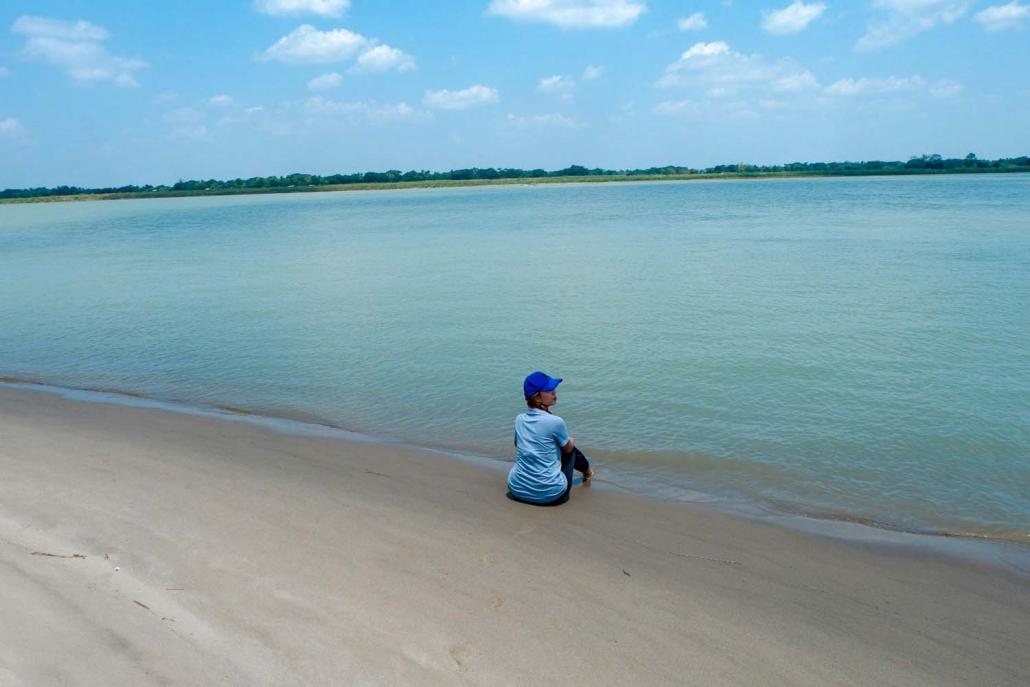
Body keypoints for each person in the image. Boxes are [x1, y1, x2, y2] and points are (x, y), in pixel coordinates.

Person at [507, 371, 594, 506]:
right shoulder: (556, 422)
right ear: (537, 398)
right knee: (569, 445)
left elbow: (517, 444)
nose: (554, 392)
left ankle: (527, 480)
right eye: (549, 390)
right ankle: (588, 472)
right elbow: (568, 449)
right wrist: (571, 440)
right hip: (551, 495)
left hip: (516, 490)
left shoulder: (519, 419)